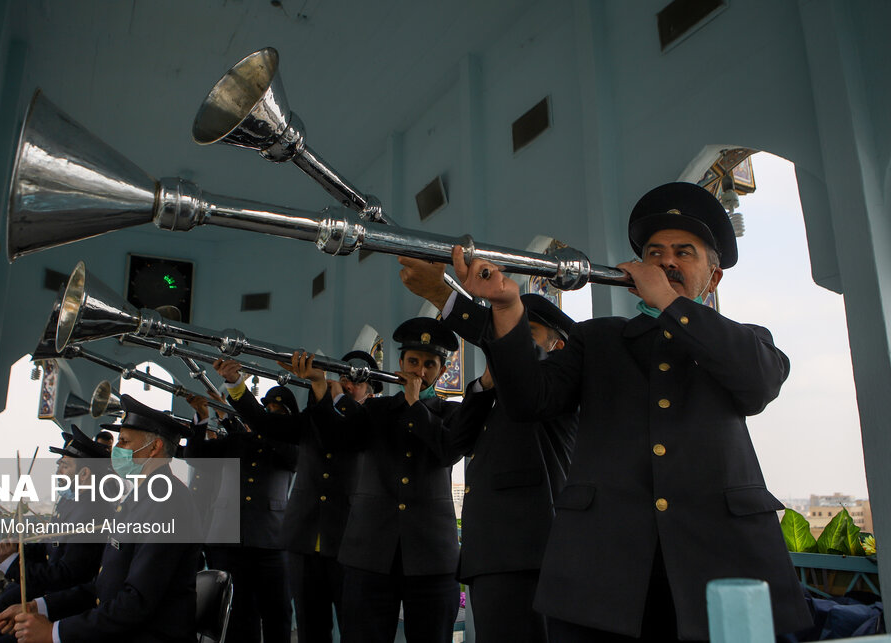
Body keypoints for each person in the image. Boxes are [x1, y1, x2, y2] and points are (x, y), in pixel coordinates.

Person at [444, 181, 812, 641]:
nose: (667, 262)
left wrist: (672, 304)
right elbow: (528, 400)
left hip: (718, 565)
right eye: (654, 253)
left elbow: (758, 384)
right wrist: (507, 310)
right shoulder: (598, 339)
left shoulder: (746, 340)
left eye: (684, 252)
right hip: (603, 570)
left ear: (713, 277)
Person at [398, 258, 578, 643]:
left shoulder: (559, 387)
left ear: (556, 344)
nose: (510, 338)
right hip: (490, 555)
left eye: (525, 331)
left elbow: (514, 356)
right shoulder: (487, 397)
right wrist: (481, 386)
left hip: (530, 553)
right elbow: (453, 444)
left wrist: (445, 297)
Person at [285, 318, 464, 643]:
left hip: (432, 557)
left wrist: (413, 404)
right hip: (369, 554)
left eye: (429, 364)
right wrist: (320, 387)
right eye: (413, 361)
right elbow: (336, 439)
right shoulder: (376, 410)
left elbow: (446, 450)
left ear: (442, 369)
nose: (420, 371)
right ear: (399, 364)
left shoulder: (450, 415)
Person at [0, 395, 200, 643]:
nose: (117, 450)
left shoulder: (167, 503)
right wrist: (40, 606)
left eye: (124, 441)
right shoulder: (140, 498)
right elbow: (103, 586)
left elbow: (136, 602)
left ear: (153, 448)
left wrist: (53, 633)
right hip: (119, 627)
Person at [213, 351, 377, 643]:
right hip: (303, 542)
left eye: (357, 382)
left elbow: (348, 429)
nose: (347, 385)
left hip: (350, 544)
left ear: (370, 392)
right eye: (342, 378)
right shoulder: (312, 420)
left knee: (357, 630)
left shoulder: (373, 422)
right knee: (310, 630)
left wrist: (324, 389)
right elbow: (264, 423)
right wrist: (235, 382)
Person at [185, 385, 299, 643]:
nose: (270, 415)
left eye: (277, 412)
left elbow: (294, 460)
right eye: (267, 411)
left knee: (277, 612)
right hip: (230, 540)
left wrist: (261, 423)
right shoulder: (238, 440)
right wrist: (201, 418)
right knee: (237, 614)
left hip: (273, 541)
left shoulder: (291, 443)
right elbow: (195, 455)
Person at [0, 426, 112, 620]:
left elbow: (68, 575)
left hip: (63, 607)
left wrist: (13, 566)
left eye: (64, 466)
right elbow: (47, 548)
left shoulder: (93, 513)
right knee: (4, 602)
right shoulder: (69, 502)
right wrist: (7, 548)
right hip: (49, 589)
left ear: (84, 474)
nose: (57, 472)